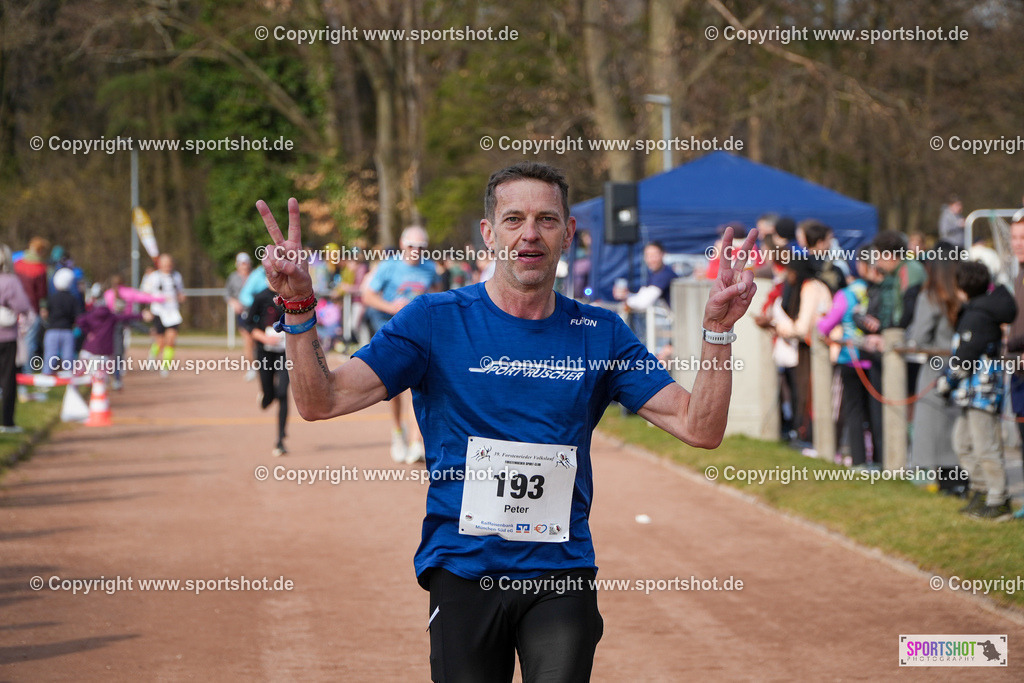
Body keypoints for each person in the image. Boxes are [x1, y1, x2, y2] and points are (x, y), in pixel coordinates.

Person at [255, 161, 757, 682]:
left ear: (569, 233)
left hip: (561, 575)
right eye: (514, 219)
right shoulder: (433, 320)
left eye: (546, 219)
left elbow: (700, 428)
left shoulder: (601, 332)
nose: (530, 234)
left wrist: (718, 331)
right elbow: (323, 400)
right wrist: (297, 304)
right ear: (489, 234)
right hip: (463, 570)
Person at [938, 260, 1016, 520]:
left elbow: (965, 355)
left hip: (982, 393)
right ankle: (981, 488)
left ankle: (998, 498)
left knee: (986, 445)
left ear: (963, 286)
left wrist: (947, 381)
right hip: (970, 393)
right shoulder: (974, 310)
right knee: (962, 442)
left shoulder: (978, 315)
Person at [361, 226, 438, 464]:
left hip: (419, 334)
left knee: (421, 384)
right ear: (402, 245)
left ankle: (416, 442)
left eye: (421, 247)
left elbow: (435, 295)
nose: (416, 251)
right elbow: (367, 296)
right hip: (390, 332)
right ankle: (398, 433)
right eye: (411, 246)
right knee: (394, 388)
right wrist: (392, 307)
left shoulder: (430, 268)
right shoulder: (388, 266)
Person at [904, 250, 962, 488]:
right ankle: (958, 483)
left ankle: (931, 481)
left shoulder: (930, 296)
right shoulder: (962, 295)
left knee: (931, 433)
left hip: (935, 368)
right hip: (961, 367)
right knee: (955, 431)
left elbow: (919, 337)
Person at [817, 249, 879, 467]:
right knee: (875, 411)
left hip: (850, 359)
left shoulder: (846, 294)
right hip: (876, 360)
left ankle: (860, 461)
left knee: (853, 410)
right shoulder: (878, 290)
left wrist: (819, 324)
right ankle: (880, 460)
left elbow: (825, 325)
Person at [245, 287, 290, 457]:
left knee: (283, 393)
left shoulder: (290, 295)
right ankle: (265, 397)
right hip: (265, 352)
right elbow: (247, 323)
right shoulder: (261, 296)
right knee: (269, 396)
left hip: (285, 352)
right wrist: (264, 338)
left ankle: (280, 440)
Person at [0, 245, 34, 433]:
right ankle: (6, 422)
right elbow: (22, 306)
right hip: (5, 337)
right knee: (7, 380)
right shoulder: (9, 281)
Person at [142, 254, 186, 377]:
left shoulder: (177, 276)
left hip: (173, 313)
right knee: (160, 341)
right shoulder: (153, 277)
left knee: (171, 340)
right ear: (159, 264)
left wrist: (181, 297)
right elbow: (145, 294)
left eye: (169, 263)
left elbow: (179, 292)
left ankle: (165, 366)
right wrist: (148, 309)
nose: (168, 266)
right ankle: (152, 356)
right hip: (159, 312)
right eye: (165, 263)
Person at [13, 237, 49, 375]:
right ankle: (27, 375)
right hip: (31, 310)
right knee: (29, 344)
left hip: (14, 309)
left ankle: (14, 374)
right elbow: (42, 293)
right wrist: (44, 308)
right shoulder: (40, 269)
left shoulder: (17, 264)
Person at [42, 268, 83, 376]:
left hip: (52, 331)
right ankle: (69, 382)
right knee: (68, 359)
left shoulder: (52, 297)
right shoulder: (73, 299)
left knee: (50, 357)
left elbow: (45, 313)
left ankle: (46, 380)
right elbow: (78, 316)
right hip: (67, 331)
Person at [225, 252, 256, 381]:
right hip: (243, 313)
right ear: (237, 265)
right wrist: (233, 302)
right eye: (241, 264)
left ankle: (264, 365)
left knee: (257, 340)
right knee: (248, 339)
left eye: (246, 263)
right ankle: (252, 367)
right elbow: (227, 294)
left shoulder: (255, 275)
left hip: (257, 311)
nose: (244, 266)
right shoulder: (233, 277)